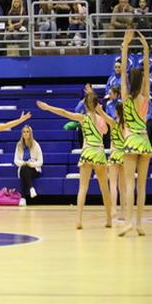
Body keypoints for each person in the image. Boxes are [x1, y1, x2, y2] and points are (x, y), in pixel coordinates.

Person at [37, 94, 112, 230]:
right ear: (97, 105)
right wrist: (101, 115)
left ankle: (78, 220)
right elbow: (106, 131)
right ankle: (108, 219)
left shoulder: (83, 118)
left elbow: (65, 113)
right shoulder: (101, 119)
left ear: (85, 105)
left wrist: (48, 107)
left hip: (87, 152)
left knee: (82, 188)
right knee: (104, 188)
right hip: (99, 152)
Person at [119, 29, 152, 237]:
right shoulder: (145, 96)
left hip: (131, 139)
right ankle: (140, 223)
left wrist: (125, 46)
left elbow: (122, 71)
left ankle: (128, 222)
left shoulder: (125, 96)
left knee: (129, 183)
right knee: (141, 185)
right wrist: (146, 49)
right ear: (141, 82)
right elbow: (147, 71)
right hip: (144, 139)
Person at [96, 103, 127, 218]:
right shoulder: (127, 125)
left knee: (113, 184)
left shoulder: (114, 123)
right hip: (124, 155)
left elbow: (102, 114)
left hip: (114, 154)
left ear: (117, 112)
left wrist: (98, 107)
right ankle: (123, 212)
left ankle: (113, 209)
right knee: (123, 187)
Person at [13, 125, 44, 206]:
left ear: (30, 133)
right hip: (23, 168)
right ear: (22, 134)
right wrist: (23, 163)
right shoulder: (19, 145)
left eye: (27, 132)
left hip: (34, 169)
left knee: (25, 169)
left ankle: (23, 198)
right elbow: (15, 160)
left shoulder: (36, 145)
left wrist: (31, 164)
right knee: (24, 168)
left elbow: (40, 162)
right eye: (24, 132)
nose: (25, 133)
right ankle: (31, 188)